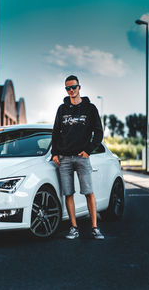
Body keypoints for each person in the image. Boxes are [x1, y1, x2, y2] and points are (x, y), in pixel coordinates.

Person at [51, 75, 104, 240]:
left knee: (88, 192)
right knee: (68, 193)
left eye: (73, 87)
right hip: (64, 158)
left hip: (82, 157)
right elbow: (55, 132)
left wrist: (88, 150)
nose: (71, 90)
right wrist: (54, 153)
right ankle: (74, 228)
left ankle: (95, 227)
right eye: (68, 88)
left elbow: (99, 132)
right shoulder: (62, 109)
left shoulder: (90, 108)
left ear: (79, 87)